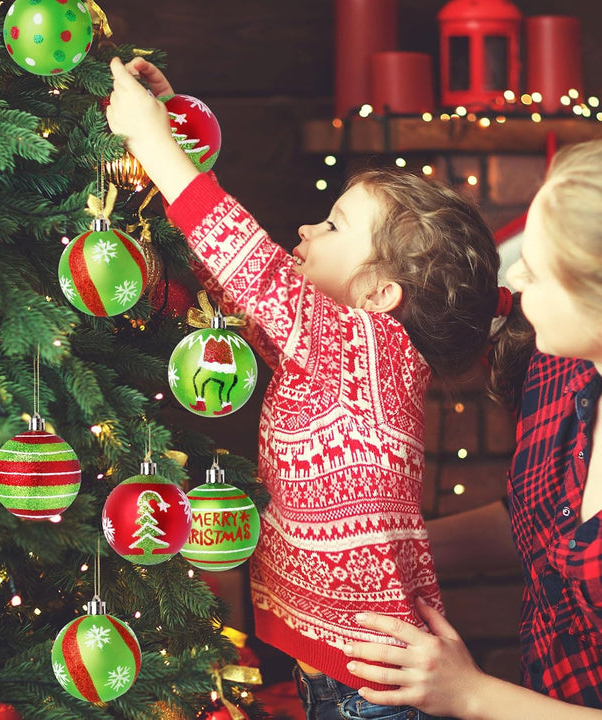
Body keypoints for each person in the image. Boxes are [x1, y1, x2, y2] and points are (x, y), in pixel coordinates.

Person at [106, 56, 502, 720]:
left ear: (380, 294)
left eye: (334, 226)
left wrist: (153, 142)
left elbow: (254, 268)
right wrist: (178, 142)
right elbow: (235, 273)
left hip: (372, 688)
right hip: (335, 668)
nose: (306, 231)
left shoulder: (368, 348)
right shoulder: (326, 350)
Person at [343, 139, 602, 719]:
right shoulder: (558, 369)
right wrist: (386, 555)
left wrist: (473, 695)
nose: (517, 276)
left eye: (541, 267)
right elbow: (537, 526)